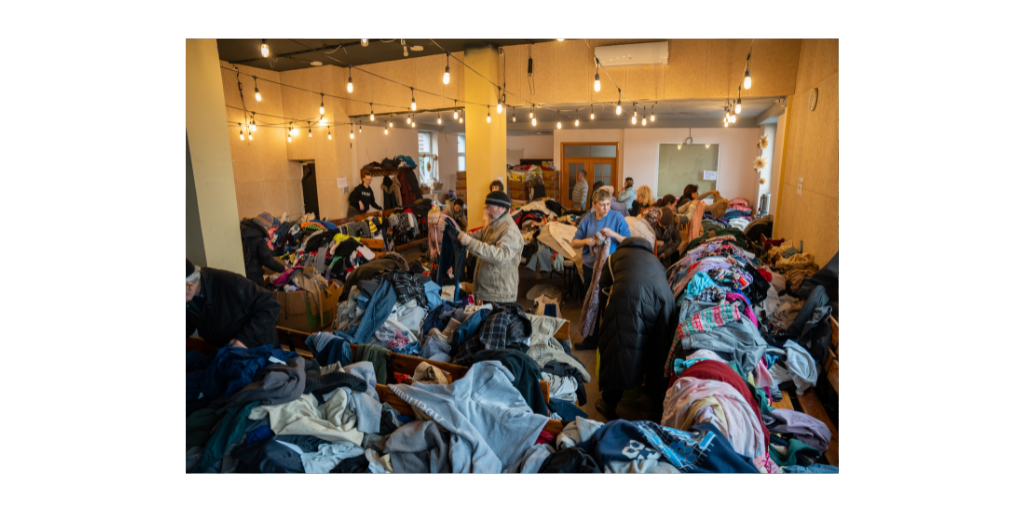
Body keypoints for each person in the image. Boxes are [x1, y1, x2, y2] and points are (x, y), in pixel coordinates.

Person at [591, 237, 676, 420]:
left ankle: (609, 405)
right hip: (665, 304)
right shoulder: (656, 260)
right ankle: (656, 406)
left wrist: (608, 316)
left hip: (631, 300)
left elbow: (604, 287)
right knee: (657, 352)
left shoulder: (614, 257)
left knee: (620, 348)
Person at [571, 187, 631, 350]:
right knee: (591, 303)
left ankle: (607, 342)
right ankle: (591, 340)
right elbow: (574, 242)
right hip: (591, 268)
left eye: (608, 204)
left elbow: (628, 240)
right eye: (602, 205)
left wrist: (613, 234)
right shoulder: (587, 220)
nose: (606, 208)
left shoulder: (617, 218)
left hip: (611, 268)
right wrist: (586, 241)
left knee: (608, 305)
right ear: (594, 204)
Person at [186, 259, 282, 348]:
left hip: (260, 349)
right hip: (228, 353)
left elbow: (271, 304)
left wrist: (245, 339)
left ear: (189, 286)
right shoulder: (189, 298)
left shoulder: (231, 283)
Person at [456, 191, 524, 304]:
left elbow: (500, 255)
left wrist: (470, 242)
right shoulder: (493, 225)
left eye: (489, 207)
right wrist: (456, 233)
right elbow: (476, 236)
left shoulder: (510, 230)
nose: (486, 211)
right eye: (485, 207)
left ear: (502, 208)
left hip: (500, 295)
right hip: (490, 292)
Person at [239, 214, 285, 287]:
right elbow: (267, 259)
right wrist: (283, 268)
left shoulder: (241, 231)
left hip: (240, 274)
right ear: (263, 225)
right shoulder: (259, 238)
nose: (267, 230)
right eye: (267, 228)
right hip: (254, 277)